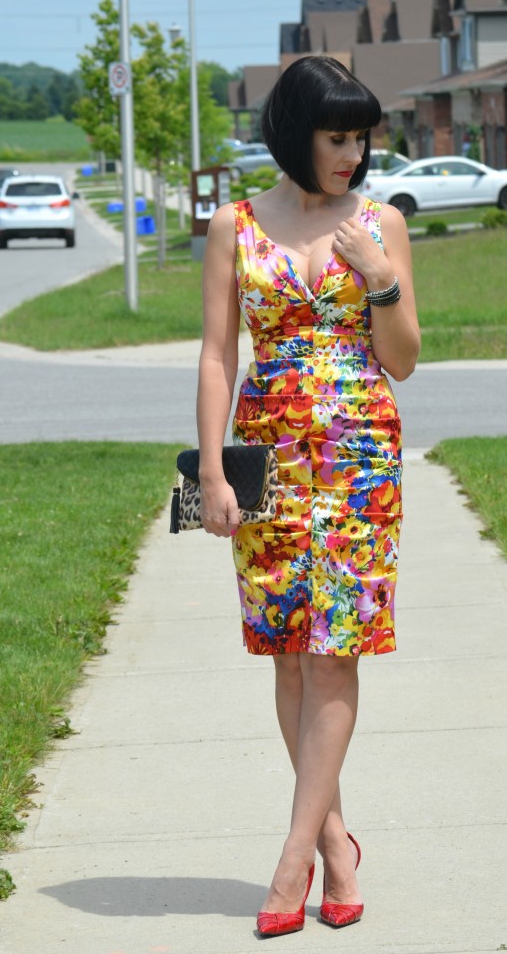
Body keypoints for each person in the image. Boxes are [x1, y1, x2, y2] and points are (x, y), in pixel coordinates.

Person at [196, 55, 421, 936]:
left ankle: (292, 859)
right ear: (297, 132)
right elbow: (217, 354)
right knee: (290, 649)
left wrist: (379, 276)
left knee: (336, 649)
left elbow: (402, 359)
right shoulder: (234, 226)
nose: (353, 155)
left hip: (360, 454)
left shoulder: (380, 222)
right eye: (337, 137)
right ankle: (333, 840)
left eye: (362, 138)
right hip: (268, 454)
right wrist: (213, 470)